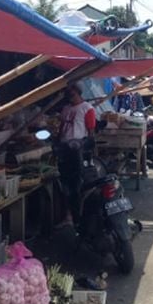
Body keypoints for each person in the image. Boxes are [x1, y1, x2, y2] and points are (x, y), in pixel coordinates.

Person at [57, 83, 97, 227]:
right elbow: (61, 128)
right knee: (65, 184)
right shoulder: (66, 109)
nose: (71, 98)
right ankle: (67, 216)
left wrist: (88, 148)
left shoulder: (87, 108)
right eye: (68, 95)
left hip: (78, 150)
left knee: (77, 184)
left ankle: (78, 216)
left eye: (73, 95)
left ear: (79, 94)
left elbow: (91, 131)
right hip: (64, 149)